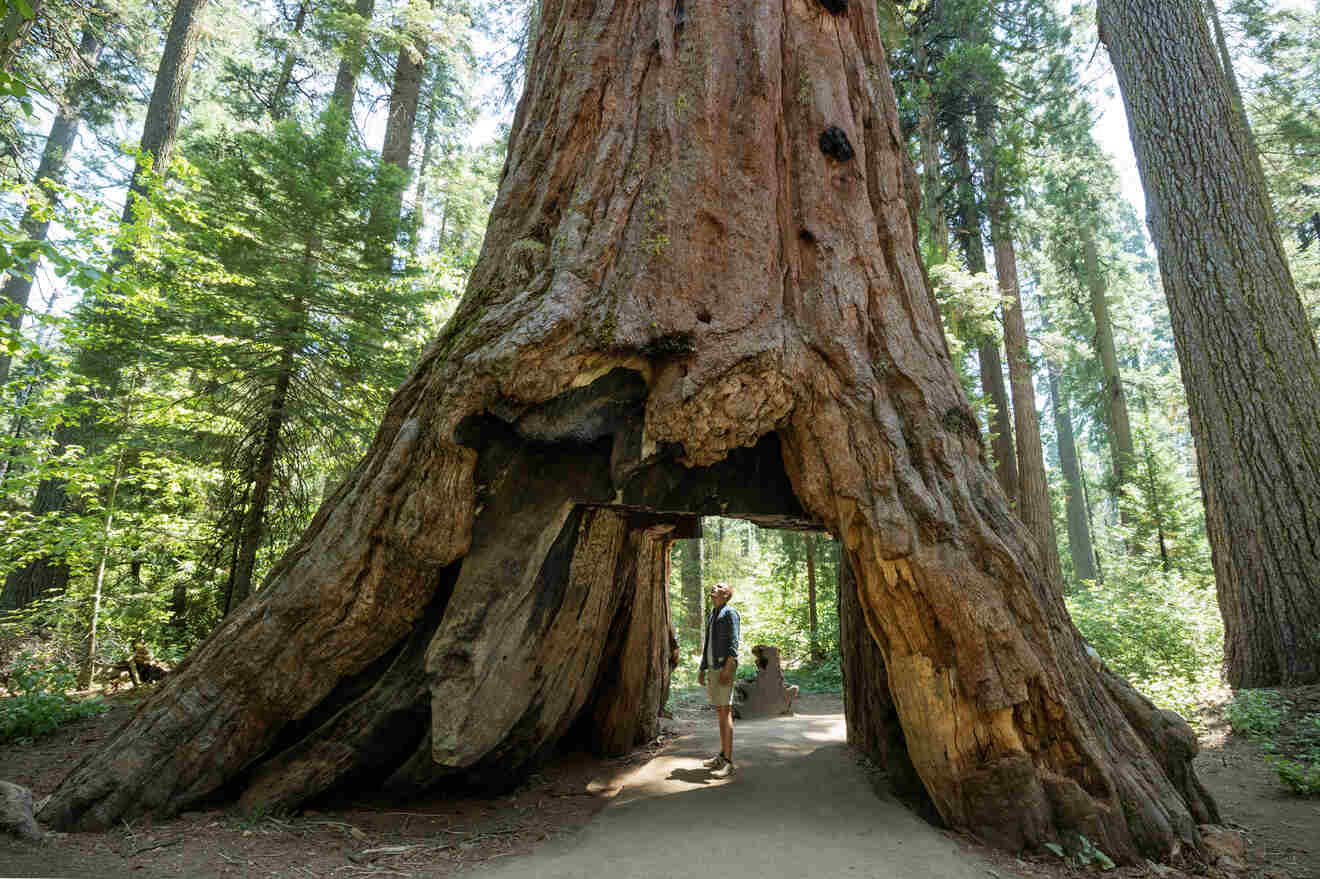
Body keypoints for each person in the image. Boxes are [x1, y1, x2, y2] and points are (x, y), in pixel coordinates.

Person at [698, 581, 740, 778]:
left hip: (724, 667)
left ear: (726, 595)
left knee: (725, 711)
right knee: (720, 711)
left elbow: (734, 642)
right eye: (713, 587)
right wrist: (702, 668)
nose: (713, 589)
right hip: (713, 667)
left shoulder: (730, 613)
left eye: (718, 587)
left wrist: (728, 668)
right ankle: (722, 755)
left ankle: (729, 762)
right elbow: (707, 644)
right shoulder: (712, 615)